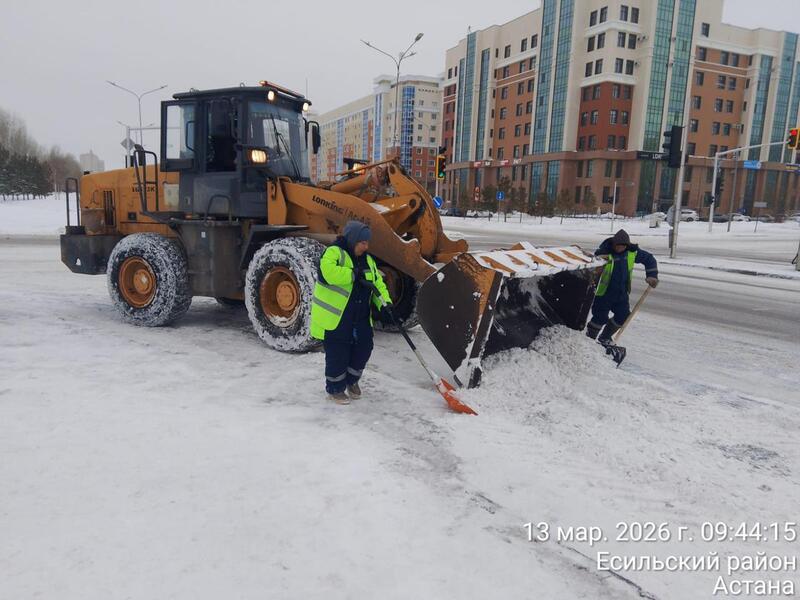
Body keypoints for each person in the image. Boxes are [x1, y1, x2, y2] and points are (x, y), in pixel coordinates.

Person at [309, 221, 392, 405]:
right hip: (337, 317)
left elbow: (377, 284)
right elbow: (327, 272)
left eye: (367, 243)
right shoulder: (334, 252)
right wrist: (353, 274)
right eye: (363, 242)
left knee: (364, 348)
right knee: (338, 354)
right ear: (353, 240)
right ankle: (335, 389)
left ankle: (351, 380)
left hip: (360, 316)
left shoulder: (368, 260)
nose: (366, 246)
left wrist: (386, 305)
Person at [586, 229, 659, 346]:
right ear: (613, 244)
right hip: (604, 294)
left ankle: (605, 337)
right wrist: (597, 262)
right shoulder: (604, 253)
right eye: (617, 246)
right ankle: (588, 340)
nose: (620, 248)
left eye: (623, 246)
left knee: (623, 316)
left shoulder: (632, 252)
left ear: (627, 245)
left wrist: (652, 276)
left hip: (622, 293)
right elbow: (592, 266)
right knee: (599, 318)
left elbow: (649, 259)